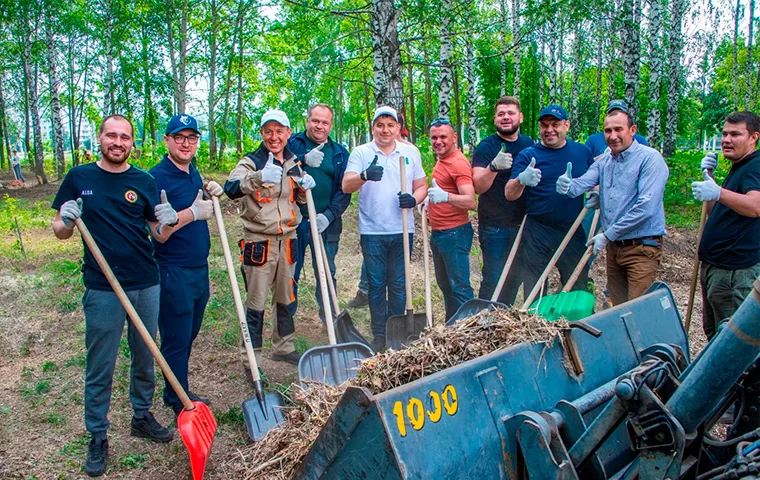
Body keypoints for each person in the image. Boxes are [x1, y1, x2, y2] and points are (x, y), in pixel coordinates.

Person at [51, 114, 180, 477]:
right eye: (112, 135)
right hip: (103, 288)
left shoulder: (144, 180)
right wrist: (67, 219)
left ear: (132, 144)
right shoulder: (79, 177)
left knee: (145, 354)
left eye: (125, 137)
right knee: (101, 364)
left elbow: (157, 233)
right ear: (100, 138)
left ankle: (141, 415)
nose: (118, 142)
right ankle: (97, 434)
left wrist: (168, 219)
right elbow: (60, 231)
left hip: (145, 282)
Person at [224, 110, 315, 371]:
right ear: (262, 133)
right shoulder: (251, 162)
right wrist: (259, 177)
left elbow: (296, 200)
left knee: (286, 297)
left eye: (279, 131)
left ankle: (284, 347)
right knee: (256, 301)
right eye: (268, 131)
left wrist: (304, 187)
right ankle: (250, 359)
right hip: (259, 241)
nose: (274, 137)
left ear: (288, 133)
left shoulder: (292, 163)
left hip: (288, 239)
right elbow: (231, 188)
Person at [556, 108, 669, 305]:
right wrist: (567, 185)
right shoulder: (605, 161)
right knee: (618, 309)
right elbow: (581, 184)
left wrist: (608, 234)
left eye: (619, 129)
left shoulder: (650, 159)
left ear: (632, 130)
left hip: (641, 247)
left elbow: (646, 208)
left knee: (638, 309)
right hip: (615, 248)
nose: (613, 136)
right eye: (608, 131)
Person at [149, 114, 220, 416]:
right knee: (176, 338)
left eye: (191, 138)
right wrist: (191, 212)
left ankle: (173, 387)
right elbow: (159, 235)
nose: (185, 143)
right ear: (166, 141)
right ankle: (179, 399)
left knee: (189, 333)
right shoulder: (155, 179)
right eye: (179, 137)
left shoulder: (191, 171)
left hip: (198, 269)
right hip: (172, 270)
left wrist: (209, 187)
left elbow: (195, 193)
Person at [342, 106, 428, 352]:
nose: (385, 130)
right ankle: (380, 334)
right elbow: (347, 185)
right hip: (372, 231)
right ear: (373, 128)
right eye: (380, 125)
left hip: (402, 228)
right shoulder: (361, 152)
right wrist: (365, 175)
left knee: (399, 284)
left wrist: (414, 199)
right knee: (377, 285)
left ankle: (396, 330)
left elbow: (421, 185)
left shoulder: (410, 152)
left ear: (398, 128)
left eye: (390, 125)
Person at [506, 105, 593, 298]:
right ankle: (536, 324)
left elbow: (595, 182)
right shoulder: (529, 155)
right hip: (538, 229)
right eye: (544, 125)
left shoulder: (581, 152)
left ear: (567, 125)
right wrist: (521, 180)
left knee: (577, 286)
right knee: (534, 289)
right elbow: (509, 194)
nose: (549, 130)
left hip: (572, 228)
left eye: (555, 124)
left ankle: (575, 326)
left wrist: (596, 195)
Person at [691, 111, 760, 340]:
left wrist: (718, 192)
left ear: (754, 137)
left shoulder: (755, 166)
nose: (727, 140)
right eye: (724, 134)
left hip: (734, 273)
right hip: (716, 267)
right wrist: (709, 177)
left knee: (731, 342)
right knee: (715, 336)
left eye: (735, 134)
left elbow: (755, 206)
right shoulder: (740, 166)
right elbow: (716, 211)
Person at [287, 104, 351, 325]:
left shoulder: (340, 154)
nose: (319, 126)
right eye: (315, 120)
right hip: (293, 221)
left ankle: (329, 319)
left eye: (325, 122)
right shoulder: (291, 144)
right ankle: (286, 322)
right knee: (290, 272)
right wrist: (301, 159)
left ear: (331, 125)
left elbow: (344, 190)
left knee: (325, 271)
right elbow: (277, 166)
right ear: (307, 121)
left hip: (325, 223)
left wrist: (330, 215)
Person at [471, 96, 534, 305]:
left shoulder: (529, 145)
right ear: (495, 118)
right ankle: (484, 322)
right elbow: (478, 186)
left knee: (514, 278)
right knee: (493, 279)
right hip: (494, 227)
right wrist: (493, 167)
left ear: (520, 117)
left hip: (522, 225)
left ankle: (503, 318)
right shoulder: (486, 147)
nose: (506, 117)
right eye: (501, 114)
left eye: (510, 113)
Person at [426, 118, 476, 321]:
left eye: (443, 137)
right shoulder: (443, 159)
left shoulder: (457, 163)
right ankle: (452, 327)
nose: (438, 141)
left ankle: (470, 330)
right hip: (441, 233)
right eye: (434, 137)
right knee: (447, 286)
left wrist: (446, 197)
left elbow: (470, 201)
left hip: (454, 234)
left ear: (454, 138)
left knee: (459, 287)